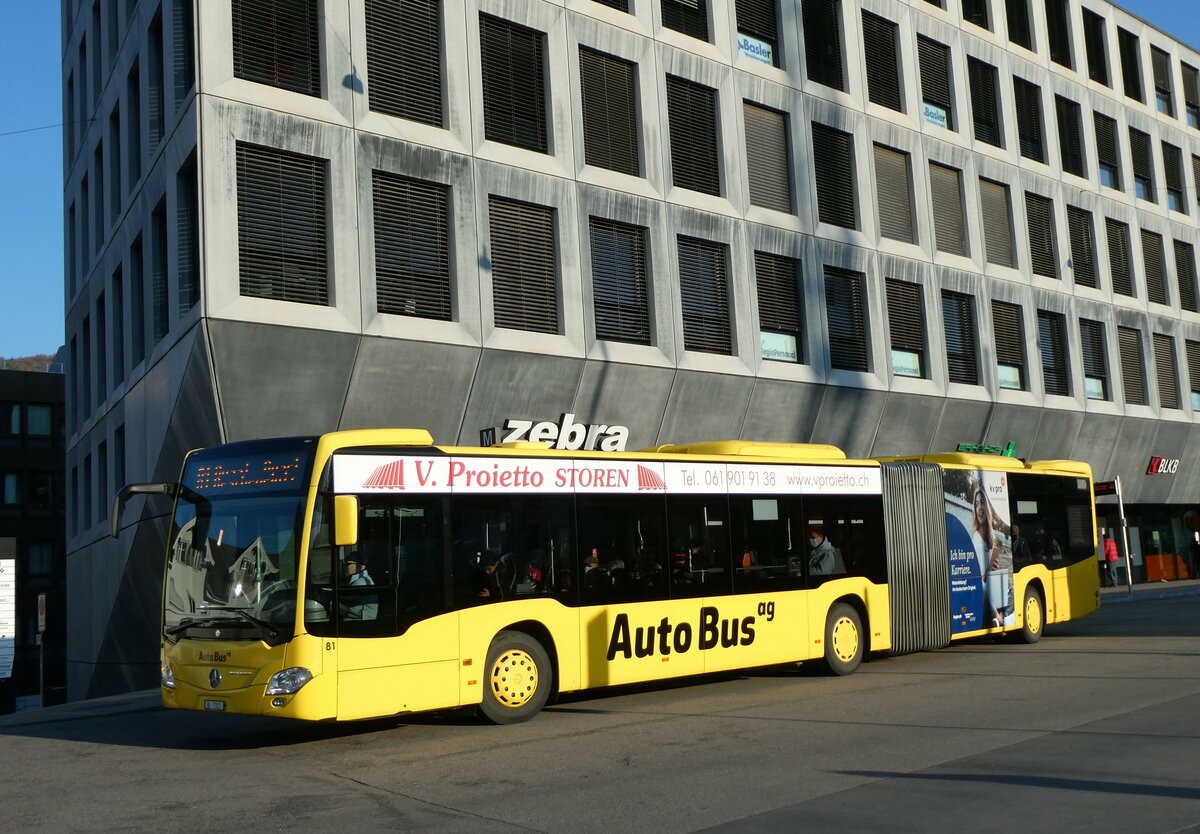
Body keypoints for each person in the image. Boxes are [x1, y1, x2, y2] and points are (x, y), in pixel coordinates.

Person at [340, 551, 378, 621]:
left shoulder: (362, 581)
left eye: (348, 564)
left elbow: (346, 598)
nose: (344, 566)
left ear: (359, 566)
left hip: (362, 622)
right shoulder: (355, 580)